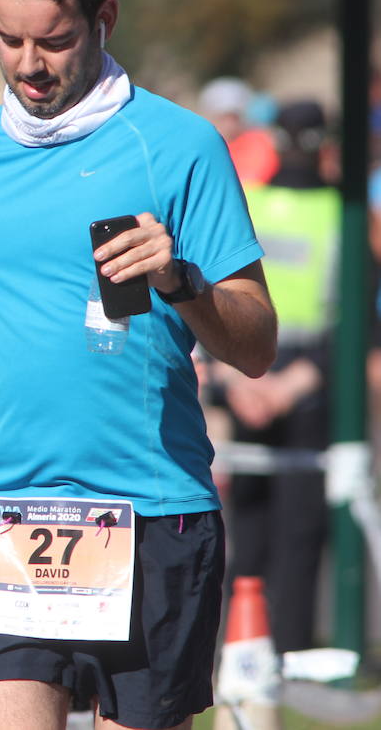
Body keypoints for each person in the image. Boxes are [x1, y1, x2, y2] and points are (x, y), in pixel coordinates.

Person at [0, 0, 277, 730]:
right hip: (10, 510)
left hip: (151, 511)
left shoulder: (180, 146)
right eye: (7, 38)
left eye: (53, 41)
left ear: (105, 17)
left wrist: (180, 280)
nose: (28, 65)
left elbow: (258, 343)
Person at [211, 100, 337, 653]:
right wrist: (283, 386)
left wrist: (235, 380)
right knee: (295, 533)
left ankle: (241, 650)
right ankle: (283, 650)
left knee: (250, 531)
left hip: (249, 376)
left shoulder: (248, 203)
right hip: (303, 383)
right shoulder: (345, 213)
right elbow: (357, 319)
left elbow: (208, 293)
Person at [199, 76, 279, 186]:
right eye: (223, 117)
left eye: (234, 117)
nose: (229, 124)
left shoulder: (261, 143)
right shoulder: (203, 147)